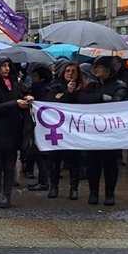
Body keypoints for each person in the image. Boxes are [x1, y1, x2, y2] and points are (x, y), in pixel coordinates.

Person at [0, 57, 32, 208]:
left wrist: (25, 99)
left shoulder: (14, 84)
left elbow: (19, 97)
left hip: (12, 131)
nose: (7, 69)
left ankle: (7, 195)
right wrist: (15, 103)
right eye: (3, 66)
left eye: (8, 66)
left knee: (9, 166)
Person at [75, 56, 126, 205]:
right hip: (94, 133)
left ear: (108, 70)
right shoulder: (92, 86)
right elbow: (82, 99)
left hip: (111, 132)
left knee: (111, 165)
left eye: (99, 67)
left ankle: (110, 193)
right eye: (94, 67)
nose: (95, 69)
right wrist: (101, 97)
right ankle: (93, 193)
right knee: (93, 164)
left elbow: (118, 104)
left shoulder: (119, 85)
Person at [46, 62, 85, 199]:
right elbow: (53, 102)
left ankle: (74, 188)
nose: (70, 73)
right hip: (58, 130)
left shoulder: (83, 87)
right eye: (68, 71)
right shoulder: (55, 86)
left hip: (74, 130)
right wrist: (68, 92)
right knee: (55, 160)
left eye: (73, 71)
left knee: (74, 160)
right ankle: (54, 187)